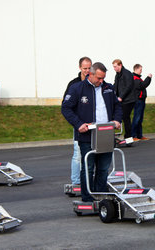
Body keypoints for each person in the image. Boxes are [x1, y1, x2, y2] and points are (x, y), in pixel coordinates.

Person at [61, 62, 122, 202]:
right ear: (90, 74)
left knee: (103, 167)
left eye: (103, 78)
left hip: (106, 133)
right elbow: (66, 108)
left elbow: (118, 106)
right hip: (87, 135)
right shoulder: (77, 88)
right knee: (88, 167)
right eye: (99, 78)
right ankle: (88, 197)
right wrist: (78, 124)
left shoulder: (108, 88)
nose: (101, 81)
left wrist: (117, 119)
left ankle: (101, 196)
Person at [63, 57, 92, 186]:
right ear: (80, 68)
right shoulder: (73, 84)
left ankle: (88, 181)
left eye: (89, 68)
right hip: (79, 124)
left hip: (92, 125)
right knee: (78, 155)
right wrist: (77, 122)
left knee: (91, 155)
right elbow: (66, 105)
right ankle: (76, 182)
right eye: (85, 68)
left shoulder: (94, 82)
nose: (87, 71)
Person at [113, 59, 136, 140]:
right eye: (113, 67)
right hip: (122, 99)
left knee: (126, 117)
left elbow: (128, 86)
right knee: (124, 117)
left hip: (129, 100)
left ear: (120, 65)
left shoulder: (127, 73)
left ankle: (128, 137)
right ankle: (127, 136)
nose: (114, 68)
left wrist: (121, 97)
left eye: (115, 66)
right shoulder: (117, 75)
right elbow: (115, 85)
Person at [131, 64, 152, 141]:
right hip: (138, 101)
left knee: (140, 119)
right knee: (136, 118)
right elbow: (142, 85)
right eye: (140, 69)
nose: (141, 71)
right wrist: (148, 78)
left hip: (141, 101)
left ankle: (139, 135)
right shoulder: (135, 78)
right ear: (136, 69)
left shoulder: (138, 78)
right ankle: (133, 135)